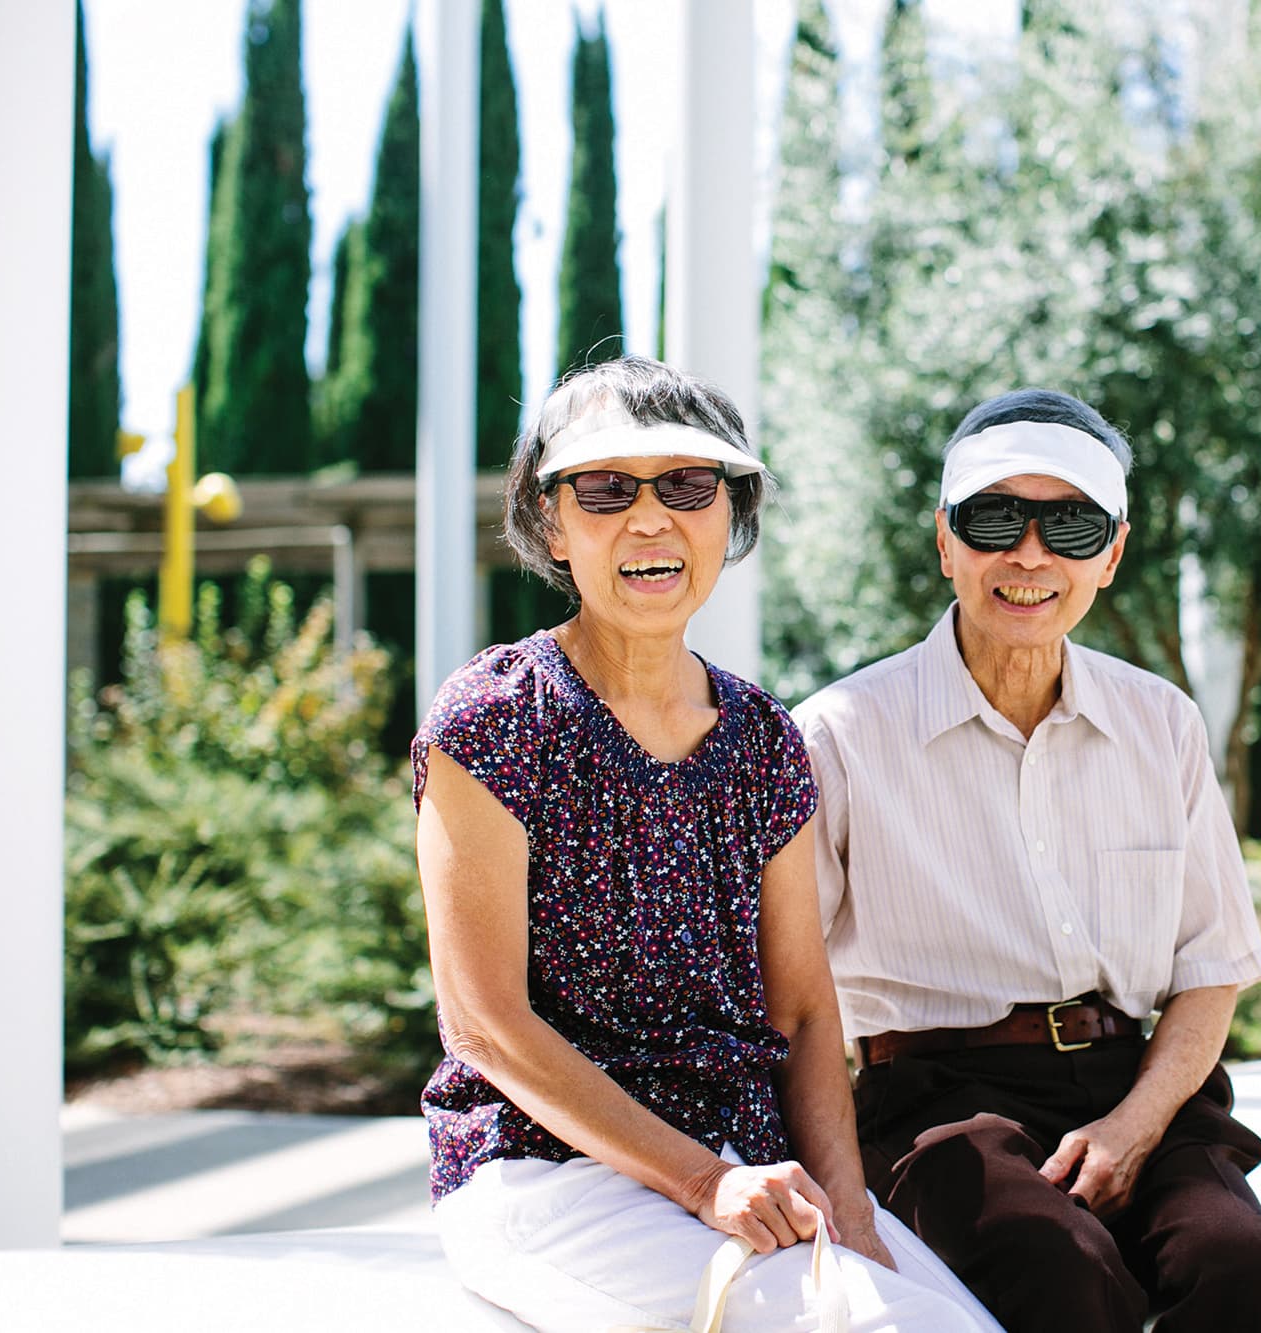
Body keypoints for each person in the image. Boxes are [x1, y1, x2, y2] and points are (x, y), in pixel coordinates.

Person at [413, 356, 999, 1333]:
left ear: (729, 513)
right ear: (552, 524)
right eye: (604, 488)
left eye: (687, 484)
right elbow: (484, 1025)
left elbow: (807, 1011)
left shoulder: (763, 737)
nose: (650, 519)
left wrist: (848, 1207)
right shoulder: (495, 716)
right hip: (545, 1173)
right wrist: (702, 1182)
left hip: (748, 1165)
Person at [795, 389, 1261, 1333]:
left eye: (1071, 525)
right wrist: (834, 1188)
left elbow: (1210, 971)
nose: (1031, 554)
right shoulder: (840, 735)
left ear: (1113, 553)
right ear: (946, 541)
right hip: (939, 1107)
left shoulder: (1161, 722)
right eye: (997, 518)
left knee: (1248, 1277)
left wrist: (1133, 1127)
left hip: (1143, 1088)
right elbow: (789, 995)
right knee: (1065, 1275)